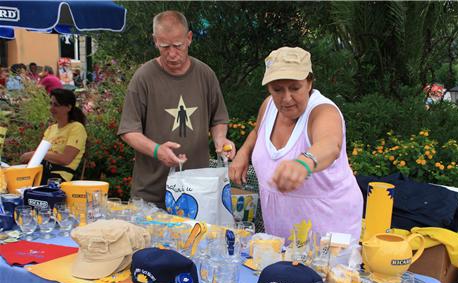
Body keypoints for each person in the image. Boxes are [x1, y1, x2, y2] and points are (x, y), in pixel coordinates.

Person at [229, 47, 363, 241]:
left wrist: (303, 162)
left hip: (328, 239)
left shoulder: (322, 111)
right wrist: (244, 152)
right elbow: (258, 131)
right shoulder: (268, 106)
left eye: (294, 88)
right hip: (281, 236)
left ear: (309, 83)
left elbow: (330, 144)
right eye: (277, 89)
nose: (286, 98)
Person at [118, 10, 235, 208]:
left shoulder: (205, 74)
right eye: (165, 47)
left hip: (197, 192)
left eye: (178, 46)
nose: (172, 54)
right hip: (151, 194)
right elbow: (129, 130)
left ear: (189, 38)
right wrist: (157, 151)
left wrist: (220, 139)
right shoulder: (143, 78)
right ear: (155, 41)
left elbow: (218, 119)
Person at [20, 88, 87, 184]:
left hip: (59, 178)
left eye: (56, 105)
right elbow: (38, 155)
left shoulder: (76, 128)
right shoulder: (51, 129)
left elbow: (65, 159)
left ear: (68, 107)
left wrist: (38, 154)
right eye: (51, 104)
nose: (51, 108)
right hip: (41, 172)